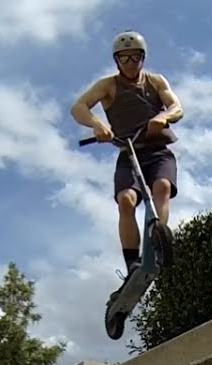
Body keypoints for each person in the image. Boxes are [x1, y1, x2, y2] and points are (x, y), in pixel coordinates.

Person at [70, 29, 184, 300]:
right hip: (128, 151)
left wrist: (164, 117)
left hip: (157, 150)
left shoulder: (155, 82)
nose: (131, 63)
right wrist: (98, 124)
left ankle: (156, 242)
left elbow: (177, 106)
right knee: (126, 200)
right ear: (116, 61)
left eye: (136, 57)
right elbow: (79, 107)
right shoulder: (108, 85)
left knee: (162, 188)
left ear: (143, 58)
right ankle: (132, 262)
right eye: (125, 59)